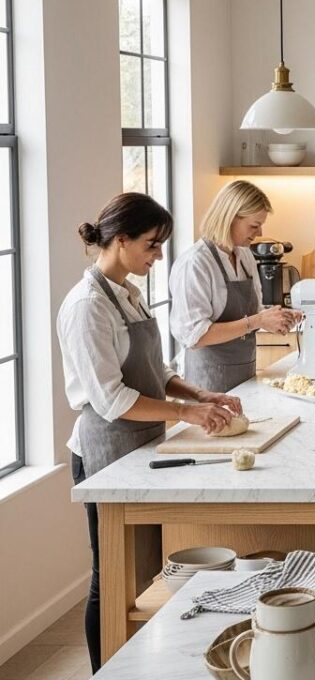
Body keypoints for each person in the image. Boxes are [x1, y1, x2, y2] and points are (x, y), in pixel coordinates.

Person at [59, 193, 240, 670]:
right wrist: (184, 414)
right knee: (111, 574)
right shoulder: (86, 306)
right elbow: (111, 398)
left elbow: (153, 370)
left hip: (140, 445)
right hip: (105, 450)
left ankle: (145, 664)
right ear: (120, 241)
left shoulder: (128, 293)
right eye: (152, 245)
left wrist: (200, 396)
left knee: (145, 571)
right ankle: (106, 670)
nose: (158, 256)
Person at [169, 180, 299, 392]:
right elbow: (196, 335)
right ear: (229, 218)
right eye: (254, 225)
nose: (259, 233)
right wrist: (258, 320)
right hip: (206, 385)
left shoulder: (244, 255)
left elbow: (252, 314)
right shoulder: (195, 264)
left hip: (245, 377)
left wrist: (274, 318)